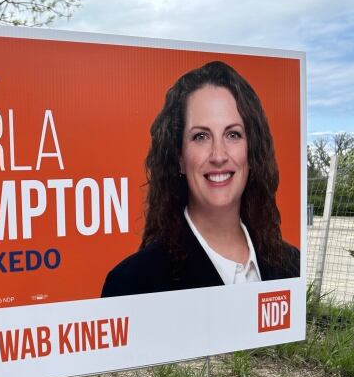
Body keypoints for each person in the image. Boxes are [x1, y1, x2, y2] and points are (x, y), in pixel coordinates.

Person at [102, 61, 299, 297]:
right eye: (201, 136)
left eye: (233, 134)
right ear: (179, 157)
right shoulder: (131, 283)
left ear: (252, 150)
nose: (218, 155)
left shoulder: (291, 266)